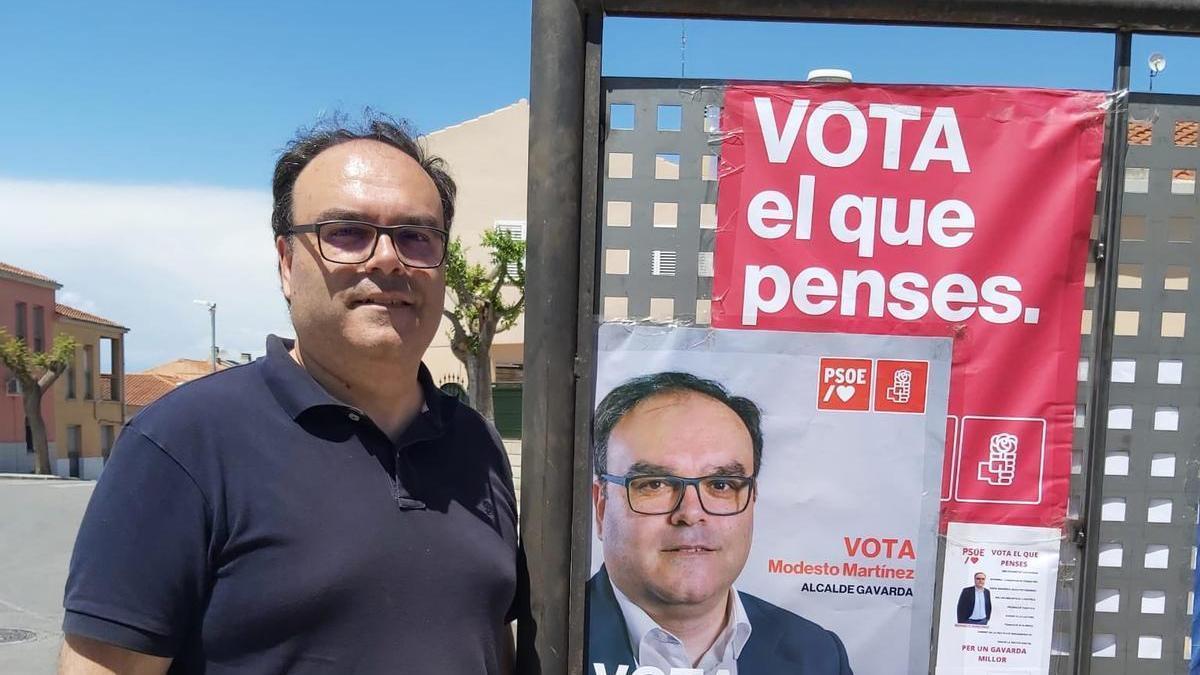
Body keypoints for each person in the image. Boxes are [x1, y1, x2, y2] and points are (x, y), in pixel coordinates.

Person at [59, 115, 528, 674]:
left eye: (416, 236)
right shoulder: (184, 443)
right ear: (286, 263)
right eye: (347, 233)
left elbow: (491, 642)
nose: (387, 259)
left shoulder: (476, 444)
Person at [586, 371, 852, 674]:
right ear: (601, 505)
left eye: (721, 485)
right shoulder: (545, 646)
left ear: (752, 500)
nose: (690, 513)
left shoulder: (817, 656)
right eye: (656, 484)